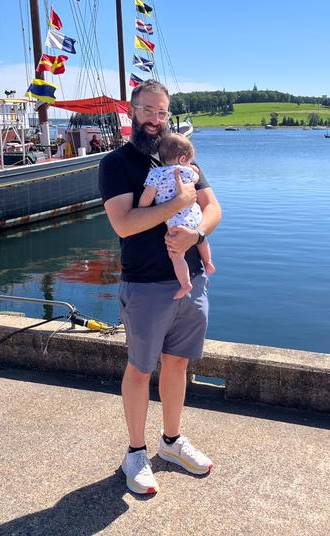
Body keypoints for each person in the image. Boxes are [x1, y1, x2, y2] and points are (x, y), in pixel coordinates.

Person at [98, 79, 221, 494]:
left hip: (190, 281)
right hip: (146, 283)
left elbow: (214, 208)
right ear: (132, 111)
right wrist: (178, 206)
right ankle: (135, 453)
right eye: (147, 110)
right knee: (140, 369)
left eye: (162, 112)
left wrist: (194, 234)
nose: (155, 119)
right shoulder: (116, 164)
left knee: (178, 363)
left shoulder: (183, 159)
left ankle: (170, 442)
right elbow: (125, 224)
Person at [138, 133, 216, 299]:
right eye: (189, 160)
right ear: (182, 159)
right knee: (201, 239)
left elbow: (147, 197)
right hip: (195, 213)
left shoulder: (156, 174)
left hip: (176, 220)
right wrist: (192, 169)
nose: (190, 164)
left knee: (176, 255)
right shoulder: (187, 171)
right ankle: (208, 262)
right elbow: (195, 177)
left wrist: (141, 208)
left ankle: (185, 283)